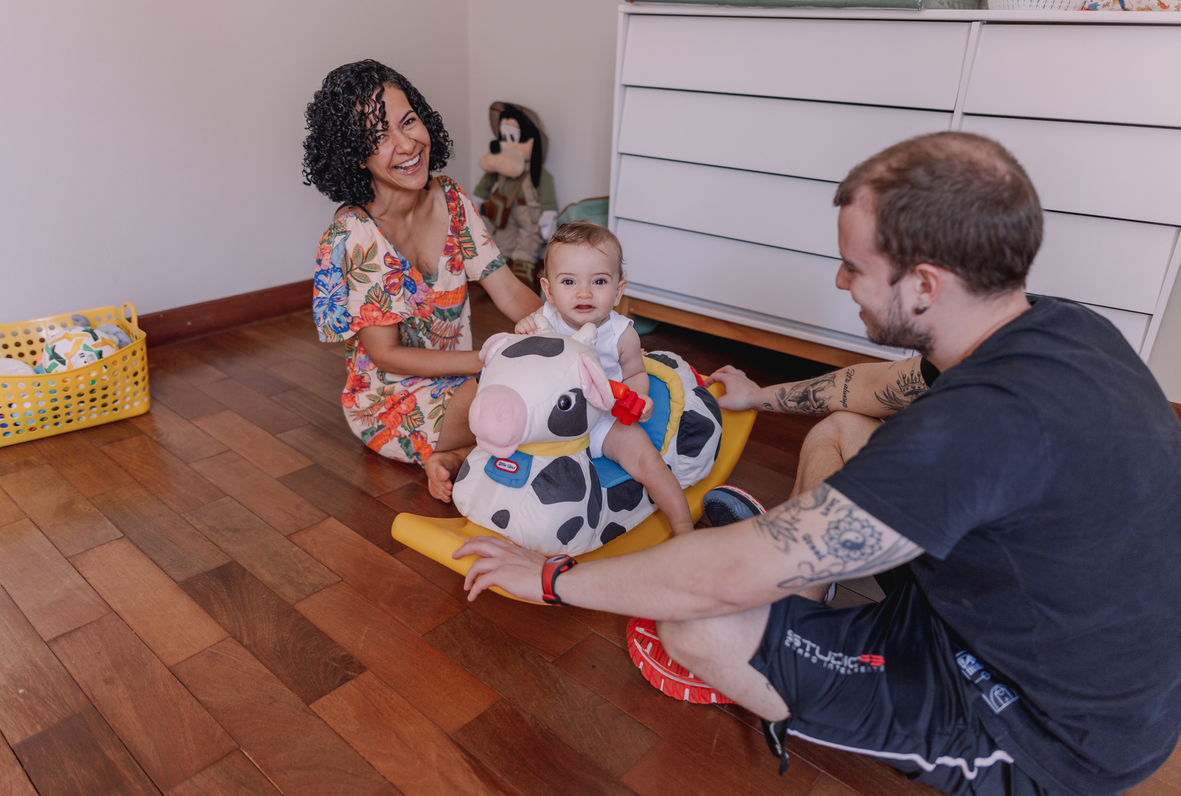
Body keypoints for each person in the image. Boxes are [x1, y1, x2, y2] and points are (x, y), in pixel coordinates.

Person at [453, 132, 1181, 796]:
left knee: (695, 626)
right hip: (1024, 612)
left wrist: (551, 577)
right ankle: (804, 596)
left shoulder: (972, 433)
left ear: (925, 284)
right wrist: (756, 396)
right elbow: (872, 389)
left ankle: (787, 631)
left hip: (1042, 731)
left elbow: (712, 580)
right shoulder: (1057, 327)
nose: (838, 281)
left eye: (853, 267)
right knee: (840, 431)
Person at [302, 60, 542, 502]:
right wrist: (487, 361)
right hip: (392, 402)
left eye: (408, 121)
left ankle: (455, 456)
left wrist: (568, 333)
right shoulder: (354, 235)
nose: (407, 143)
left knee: (539, 391)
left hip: (466, 377)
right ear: (355, 155)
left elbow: (508, 290)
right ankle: (458, 451)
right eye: (379, 137)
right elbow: (388, 356)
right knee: (525, 404)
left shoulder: (451, 198)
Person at [513, 220, 693, 536]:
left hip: (604, 419)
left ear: (619, 290)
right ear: (549, 290)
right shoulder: (544, 321)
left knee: (646, 460)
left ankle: (683, 528)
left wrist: (639, 396)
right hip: (552, 418)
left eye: (598, 281)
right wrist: (524, 332)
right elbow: (526, 367)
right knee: (510, 439)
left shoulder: (621, 334)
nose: (584, 292)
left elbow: (636, 372)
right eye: (568, 282)